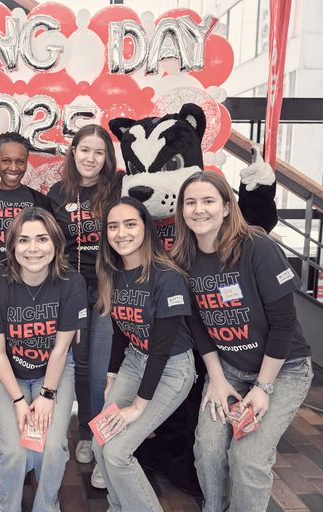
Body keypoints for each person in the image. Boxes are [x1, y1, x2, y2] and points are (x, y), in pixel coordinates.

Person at [171, 171, 312, 512]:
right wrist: (216, 380)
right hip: (230, 370)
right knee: (207, 449)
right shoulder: (183, 259)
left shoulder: (257, 248)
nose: (199, 209)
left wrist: (263, 388)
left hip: (284, 370)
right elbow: (198, 327)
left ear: (225, 207)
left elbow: (284, 324)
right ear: (181, 211)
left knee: (248, 457)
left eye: (208, 201)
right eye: (191, 202)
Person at [0, 207, 87, 512]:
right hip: (8, 374)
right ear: (12, 247)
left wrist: (47, 395)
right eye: (23, 240)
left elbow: (61, 349)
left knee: (53, 447)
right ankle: (6, 504)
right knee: (13, 450)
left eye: (42, 239)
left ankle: (47, 504)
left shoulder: (72, 283)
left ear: (56, 244)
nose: (33, 248)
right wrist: (19, 401)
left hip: (54, 372)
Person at [92, 197, 196, 512]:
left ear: (146, 229)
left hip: (170, 369)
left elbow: (161, 352)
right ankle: (119, 507)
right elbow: (120, 331)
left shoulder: (167, 276)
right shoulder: (112, 272)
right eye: (113, 226)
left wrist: (138, 406)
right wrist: (111, 375)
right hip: (135, 361)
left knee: (118, 452)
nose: (121, 232)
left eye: (130, 224)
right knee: (100, 441)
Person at [0, 132, 52, 462]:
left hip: (33, 301)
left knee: (32, 368)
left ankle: (33, 443)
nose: (13, 166)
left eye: (20, 160)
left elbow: (50, 248)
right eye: (7, 160)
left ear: (27, 162)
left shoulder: (39, 201)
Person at [46, 124, 121, 472]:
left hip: (108, 288)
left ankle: (103, 436)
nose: (91, 158)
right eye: (85, 150)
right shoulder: (59, 192)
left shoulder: (119, 189)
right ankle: (86, 434)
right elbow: (52, 244)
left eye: (99, 152)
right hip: (73, 290)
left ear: (107, 158)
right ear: (73, 152)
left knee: (103, 367)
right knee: (79, 366)